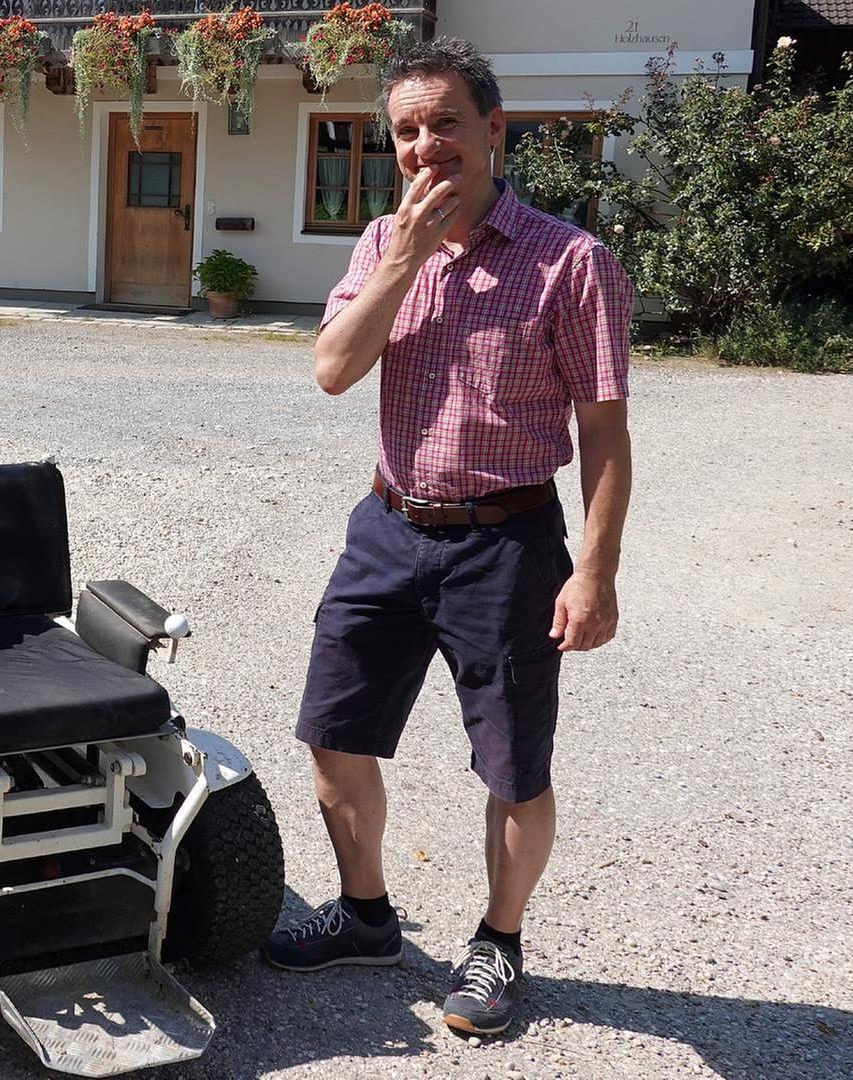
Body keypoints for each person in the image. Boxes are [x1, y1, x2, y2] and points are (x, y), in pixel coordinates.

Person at [262, 38, 633, 1038]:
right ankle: (368, 916)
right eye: (407, 131)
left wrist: (593, 571)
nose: (426, 146)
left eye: (446, 125)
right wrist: (406, 258)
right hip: (388, 525)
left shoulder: (572, 262)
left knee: (514, 764)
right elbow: (334, 370)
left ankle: (500, 944)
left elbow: (603, 433)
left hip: (507, 541)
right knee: (334, 733)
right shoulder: (382, 241)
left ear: (493, 131)